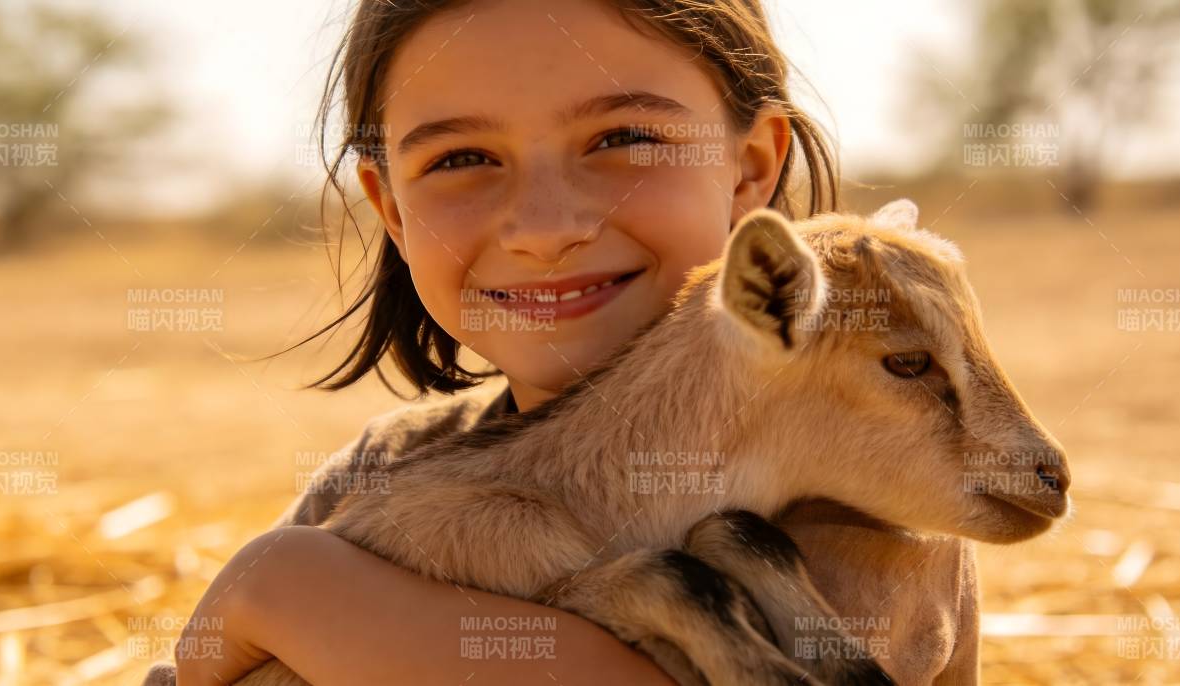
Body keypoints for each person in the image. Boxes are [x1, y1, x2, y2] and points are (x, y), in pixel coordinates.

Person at [175, 0, 978, 683]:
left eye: (623, 139)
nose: (546, 229)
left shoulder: (868, 490)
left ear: (747, 168)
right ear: (391, 208)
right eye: (462, 158)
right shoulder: (386, 467)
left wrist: (284, 592)